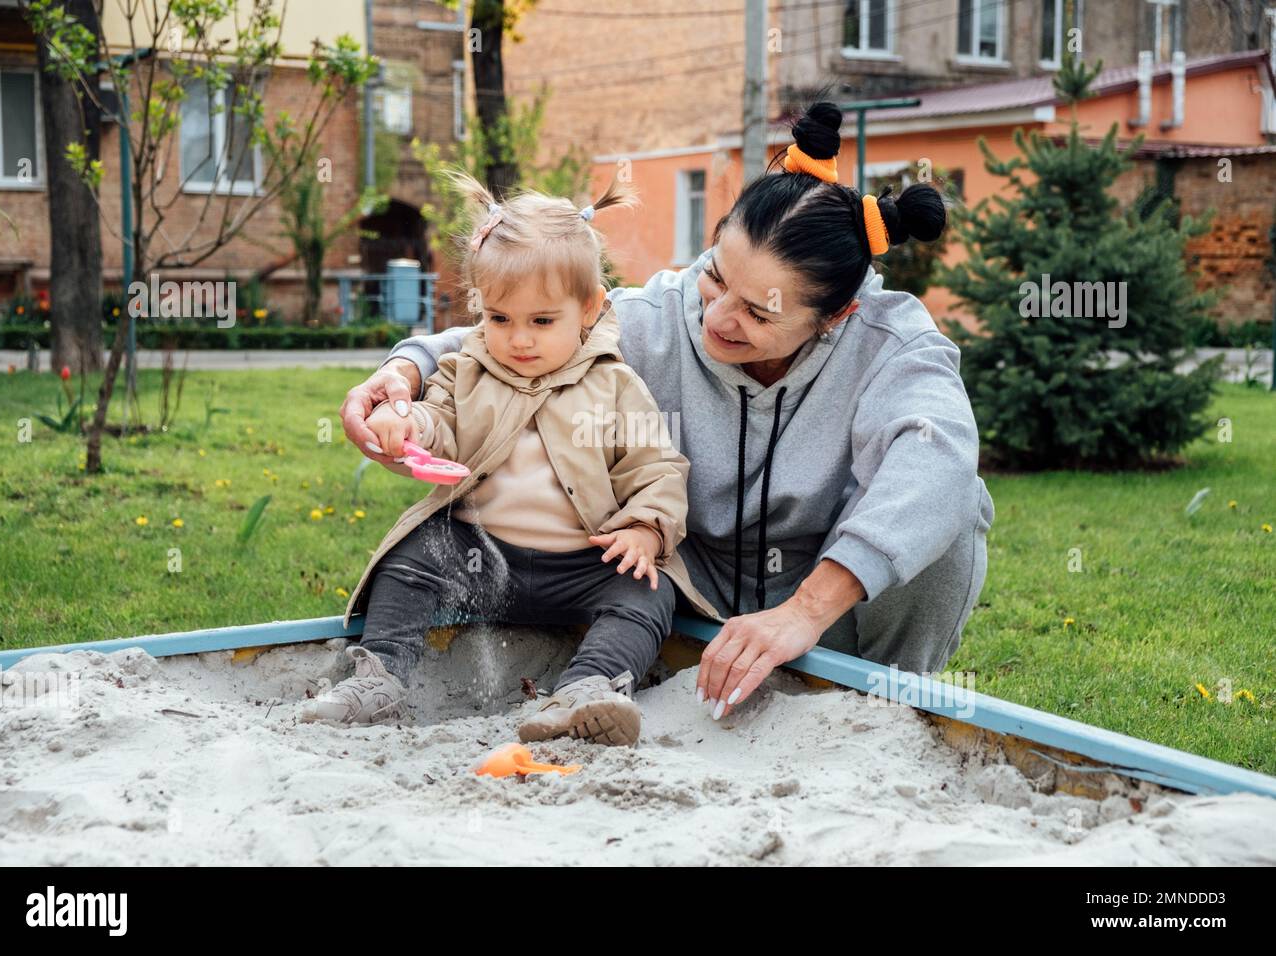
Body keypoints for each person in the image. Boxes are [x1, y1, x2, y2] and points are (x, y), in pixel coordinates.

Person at [341, 101, 995, 723]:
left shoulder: (893, 343)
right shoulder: (659, 315)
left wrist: (804, 610)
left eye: (757, 311)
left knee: (954, 507)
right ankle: (625, 668)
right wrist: (404, 372)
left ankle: (885, 705)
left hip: (829, 601)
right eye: (715, 275)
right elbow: (530, 336)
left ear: (835, 317)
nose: (715, 316)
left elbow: (935, 460)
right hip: (689, 579)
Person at [303, 169, 720, 747]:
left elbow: (657, 468)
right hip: (478, 552)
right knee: (409, 559)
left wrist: (647, 529)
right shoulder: (467, 369)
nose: (519, 339)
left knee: (647, 592)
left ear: (590, 309)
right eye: (500, 319)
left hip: (582, 562)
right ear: (480, 308)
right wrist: (407, 423)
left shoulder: (615, 384)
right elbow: (439, 420)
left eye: (541, 321)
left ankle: (588, 688)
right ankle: (379, 678)